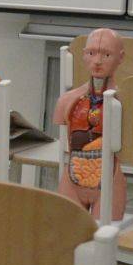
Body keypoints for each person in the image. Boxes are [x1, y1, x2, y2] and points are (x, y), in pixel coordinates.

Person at [52, 27, 127, 222]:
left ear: (120, 58)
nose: (98, 61)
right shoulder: (68, 101)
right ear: (84, 55)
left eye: (106, 55)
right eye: (91, 53)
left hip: (109, 178)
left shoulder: (125, 103)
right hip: (73, 174)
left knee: (105, 234)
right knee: (66, 230)